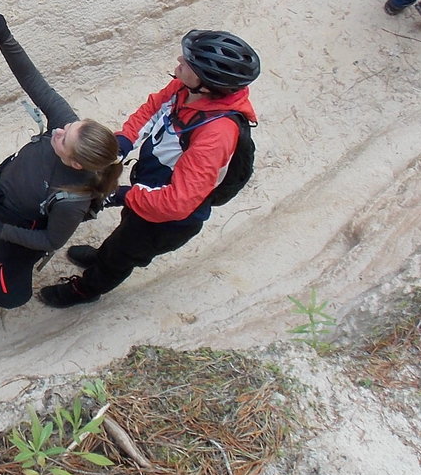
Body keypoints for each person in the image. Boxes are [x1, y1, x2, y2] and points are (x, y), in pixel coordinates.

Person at [38, 29, 259, 310]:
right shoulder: (186, 90)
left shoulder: (216, 133)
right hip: (150, 189)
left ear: (207, 83)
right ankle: (104, 255)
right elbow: (153, 109)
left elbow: (177, 203)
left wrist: (123, 195)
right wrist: (123, 141)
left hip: (169, 221)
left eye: (188, 63)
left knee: (125, 253)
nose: (180, 60)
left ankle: (86, 289)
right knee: (127, 231)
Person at [0, 10, 124, 328]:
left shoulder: (70, 199)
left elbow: (51, 241)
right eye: (71, 125)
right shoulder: (67, 129)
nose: (59, 130)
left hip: (16, 233)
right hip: (2, 211)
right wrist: (4, 38)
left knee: (1, 273)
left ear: (75, 163)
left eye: (64, 138)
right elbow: (37, 84)